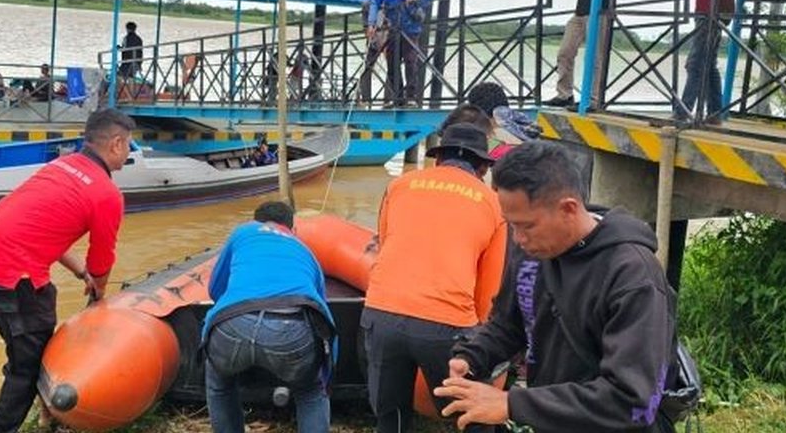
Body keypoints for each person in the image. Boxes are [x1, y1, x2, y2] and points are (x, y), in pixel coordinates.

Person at [437, 141, 677, 433]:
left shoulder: (632, 276)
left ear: (568, 209)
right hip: (553, 420)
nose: (517, 239)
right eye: (511, 225)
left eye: (527, 226)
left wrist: (512, 404)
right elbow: (508, 324)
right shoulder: (531, 251)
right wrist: (472, 355)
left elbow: (632, 402)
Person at [0, 108, 134, 433]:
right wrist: (98, 293)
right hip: (12, 277)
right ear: (115, 144)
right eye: (128, 144)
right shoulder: (106, 193)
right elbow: (102, 260)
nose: (128, 152)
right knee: (27, 366)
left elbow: (41, 230)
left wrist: (79, 271)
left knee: (27, 350)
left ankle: (46, 414)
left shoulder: (61, 166)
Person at [362, 122, 507, 433]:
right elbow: (489, 289)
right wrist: (480, 343)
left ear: (438, 158)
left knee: (390, 414)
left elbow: (385, 245)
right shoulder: (494, 204)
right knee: (473, 414)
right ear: (483, 168)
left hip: (382, 312)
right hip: (447, 321)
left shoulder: (398, 186)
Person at [202, 201, 337, 433]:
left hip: (233, 323)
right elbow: (319, 310)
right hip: (292, 329)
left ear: (255, 221)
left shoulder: (243, 233)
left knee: (220, 383)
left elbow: (215, 289)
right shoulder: (305, 251)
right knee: (310, 391)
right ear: (293, 229)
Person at [367, 0, 432, 108]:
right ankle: (398, 97)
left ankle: (411, 97)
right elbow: (375, 3)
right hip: (394, 29)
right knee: (392, 63)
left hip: (411, 29)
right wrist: (371, 23)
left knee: (410, 61)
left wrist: (416, 1)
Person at [359, 0, 388, 104]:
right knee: (367, 68)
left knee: (392, 68)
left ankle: (388, 99)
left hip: (386, 38)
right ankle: (367, 98)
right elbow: (366, 25)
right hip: (374, 38)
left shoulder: (388, 3)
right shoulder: (368, 4)